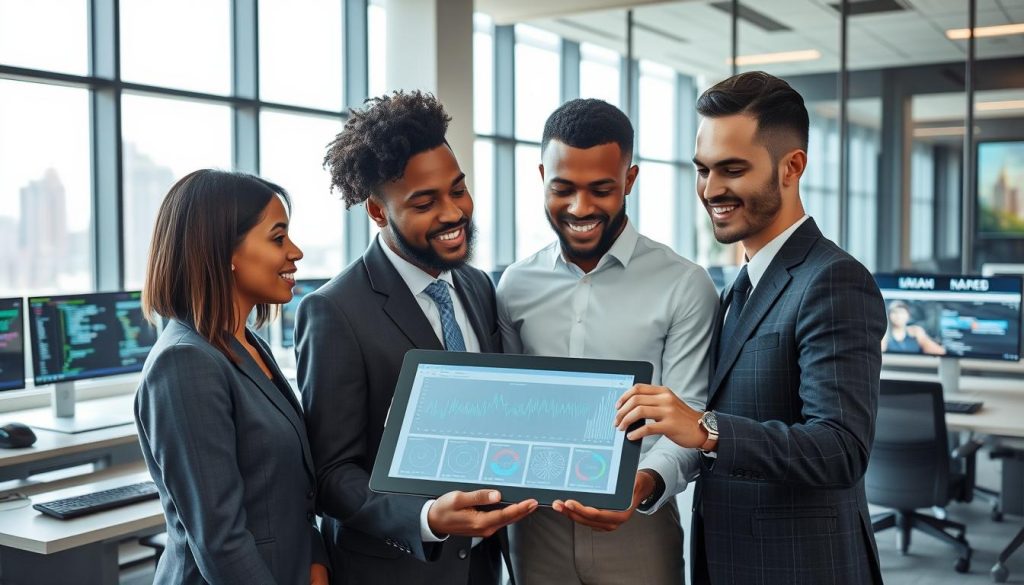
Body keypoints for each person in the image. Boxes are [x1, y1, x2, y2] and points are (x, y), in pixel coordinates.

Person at [583, 71, 887, 584]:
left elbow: (841, 449)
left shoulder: (832, 280)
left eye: (732, 169)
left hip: (802, 568)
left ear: (792, 167)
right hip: (727, 561)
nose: (711, 189)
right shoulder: (737, 287)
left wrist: (706, 429)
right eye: (703, 169)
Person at [298, 91, 537, 585]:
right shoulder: (334, 311)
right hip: (396, 570)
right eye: (425, 202)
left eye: (458, 189)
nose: (453, 213)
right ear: (379, 212)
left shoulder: (475, 284)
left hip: (485, 564)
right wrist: (425, 518)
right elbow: (331, 474)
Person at [496, 98, 718, 584]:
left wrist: (640, 486)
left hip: (639, 521)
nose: (580, 208)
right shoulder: (514, 284)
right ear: (541, 178)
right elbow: (509, 404)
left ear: (630, 181)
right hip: (535, 524)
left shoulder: (684, 284)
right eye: (563, 189)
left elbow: (692, 410)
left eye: (601, 189)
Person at [135, 169, 329, 585]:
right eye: (278, 238)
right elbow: (220, 542)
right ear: (225, 252)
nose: (295, 252)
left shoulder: (248, 345)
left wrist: (316, 565)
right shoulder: (185, 363)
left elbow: (294, 490)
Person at [882, 300, 946, 355]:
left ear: (908, 315)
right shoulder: (885, 334)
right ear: (889, 315)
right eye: (894, 312)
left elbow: (940, 352)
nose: (898, 316)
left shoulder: (916, 331)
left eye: (902, 312)